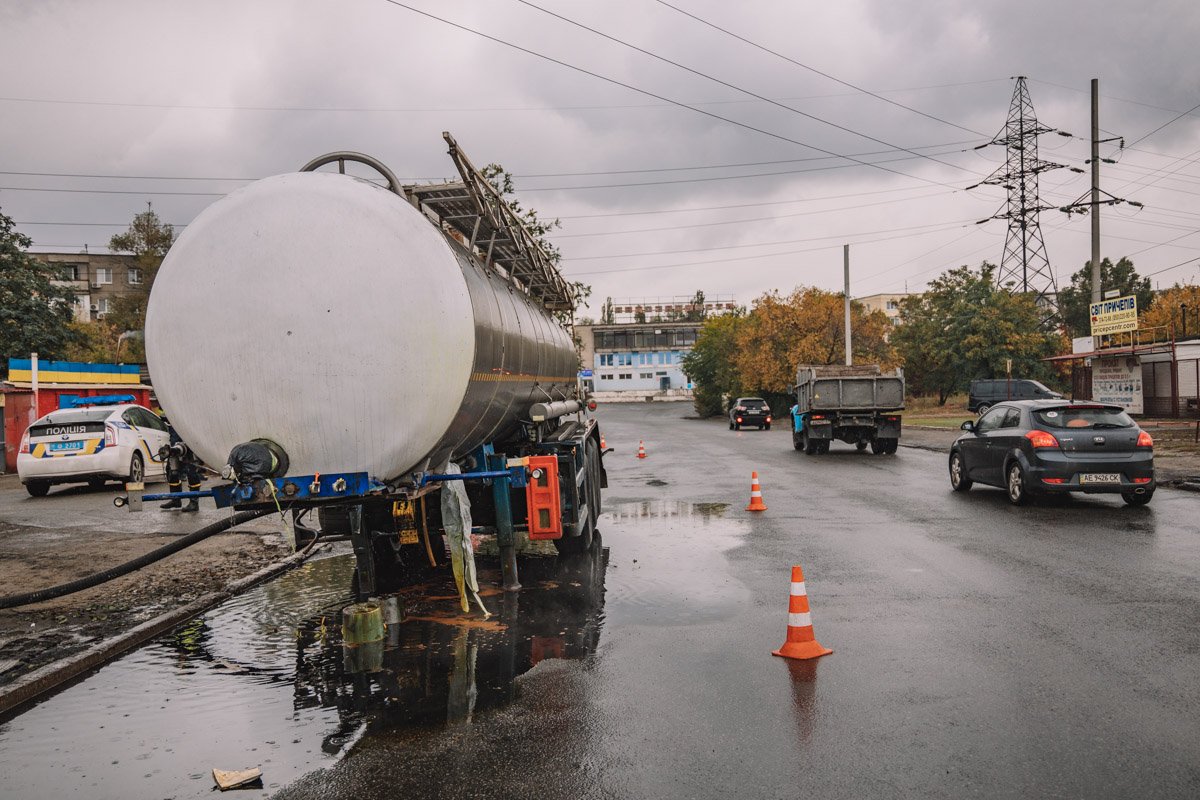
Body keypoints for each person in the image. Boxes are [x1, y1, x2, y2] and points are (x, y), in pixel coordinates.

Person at [159, 417, 203, 512]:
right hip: (175, 445)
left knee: (192, 472)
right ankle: (176, 500)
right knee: (172, 472)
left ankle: (194, 502)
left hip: (190, 445)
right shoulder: (173, 414)